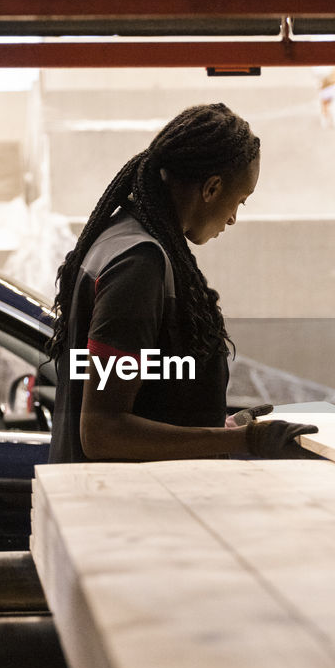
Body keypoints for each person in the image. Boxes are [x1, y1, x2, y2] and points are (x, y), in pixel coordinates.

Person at [48, 103, 316, 462]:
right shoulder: (138, 265)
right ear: (212, 188)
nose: (234, 218)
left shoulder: (122, 238)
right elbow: (103, 432)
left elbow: (148, 397)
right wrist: (245, 442)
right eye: (240, 201)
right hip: (123, 506)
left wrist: (219, 426)